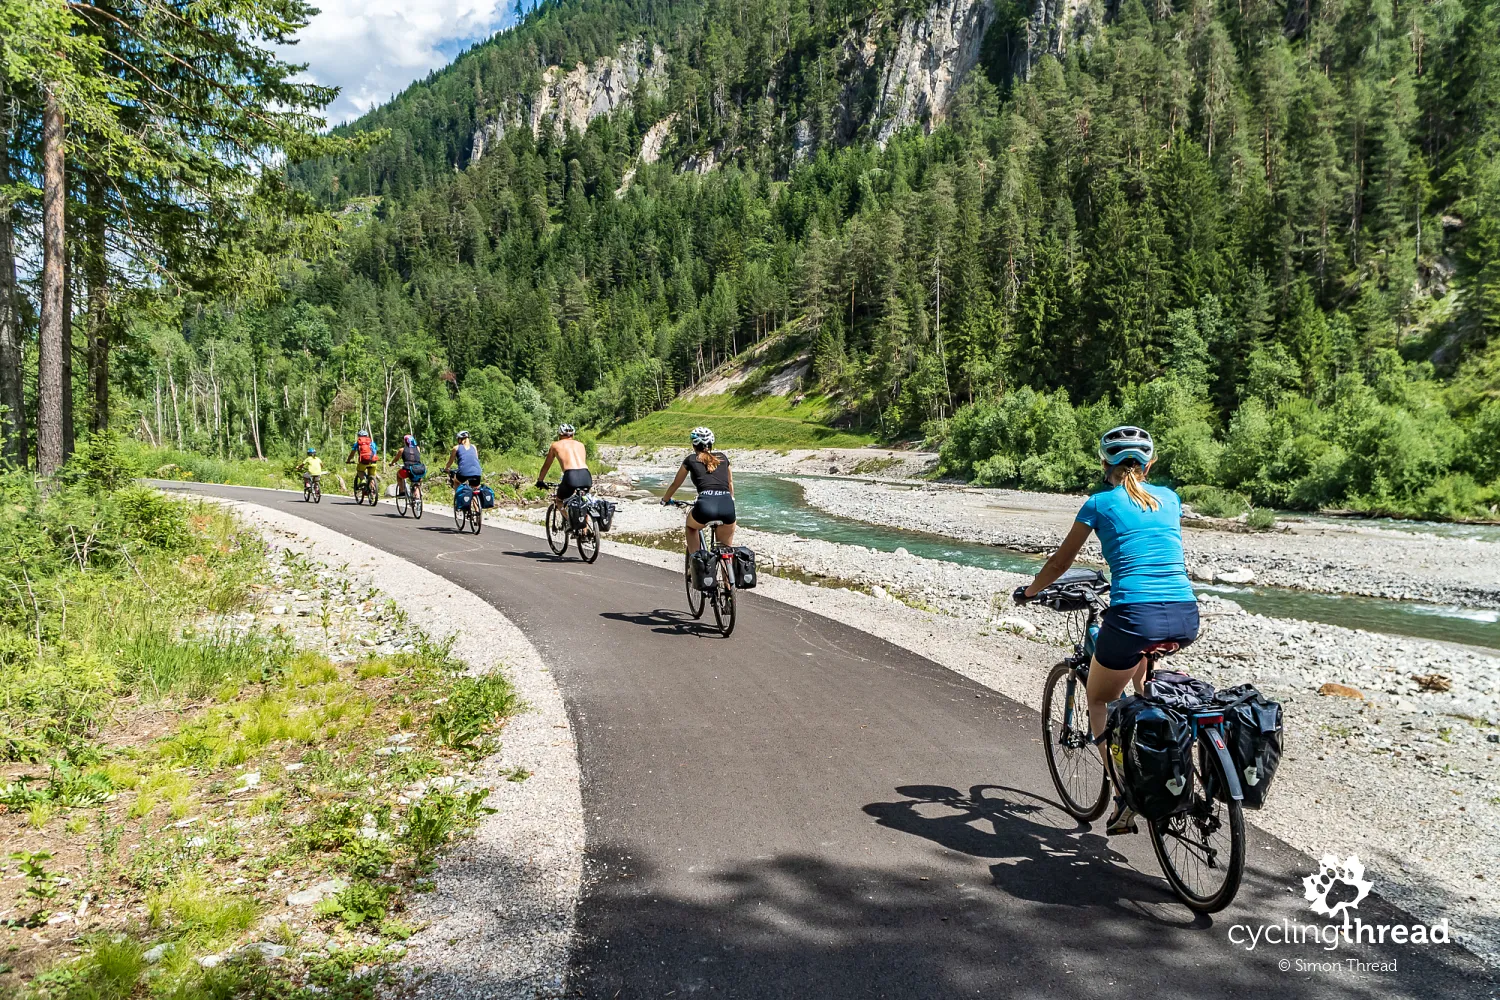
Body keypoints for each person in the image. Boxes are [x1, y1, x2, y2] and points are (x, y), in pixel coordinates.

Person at [1013, 425, 1199, 836]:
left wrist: (1029, 593)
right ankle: (1168, 760)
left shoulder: (1098, 503)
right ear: (1151, 463)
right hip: (1185, 614)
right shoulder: (1170, 499)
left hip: (1134, 614)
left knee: (1099, 699)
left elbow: (1061, 564)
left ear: (1104, 465)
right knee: (1144, 685)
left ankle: (1122, 797)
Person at [659, 426, 735, 560]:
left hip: (704, 507)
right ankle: (728, 578)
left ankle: (696, 561)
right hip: (727, 506)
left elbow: (676, 484)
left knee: (691, 527)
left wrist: (665, 500)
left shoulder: (691, 460)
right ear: (711, 443)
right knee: (725, 553)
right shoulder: (723, 457)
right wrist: (731, 499)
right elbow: (730, 483)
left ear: (694, 444)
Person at [536, 423, 590, 510]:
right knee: (583, 503)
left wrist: (540, 480)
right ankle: (584, 523)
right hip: (586, 474)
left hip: (570, 475)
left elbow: (546, 466)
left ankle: (568, 521)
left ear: (559, 434)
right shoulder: (581, 445)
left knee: (559, 500)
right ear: (573, 434)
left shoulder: (555, 445)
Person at [442, 431, 483, 500]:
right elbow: (476, 459)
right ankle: (477, 509)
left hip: (463, 472)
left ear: (460, 439)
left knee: (456, 481)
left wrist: (446, 468)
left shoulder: (456, 448)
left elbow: (450, 461)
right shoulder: (474, 447)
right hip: (477, 472)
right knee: (474, 489)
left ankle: (459, 500)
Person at [391, 434, 425, 499]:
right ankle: (417, 494)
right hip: (418, 469)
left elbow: (396, 459)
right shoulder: (418, 448)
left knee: (398, 475)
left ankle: (402, 491)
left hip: (407, 470)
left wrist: (392, 463)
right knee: (417, 481)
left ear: (405, 441)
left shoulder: (402, 450)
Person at [346, 429, 379, 493]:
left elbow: (352, 453)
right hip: (373, 462)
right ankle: (373, 490)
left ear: (359, 436)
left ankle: (363, 479)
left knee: (359, 470)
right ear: (367, 436)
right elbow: (375, 452)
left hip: (363, 462)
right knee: (371, 475)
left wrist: (348, 460)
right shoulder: (372, 443)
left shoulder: (358, 444)